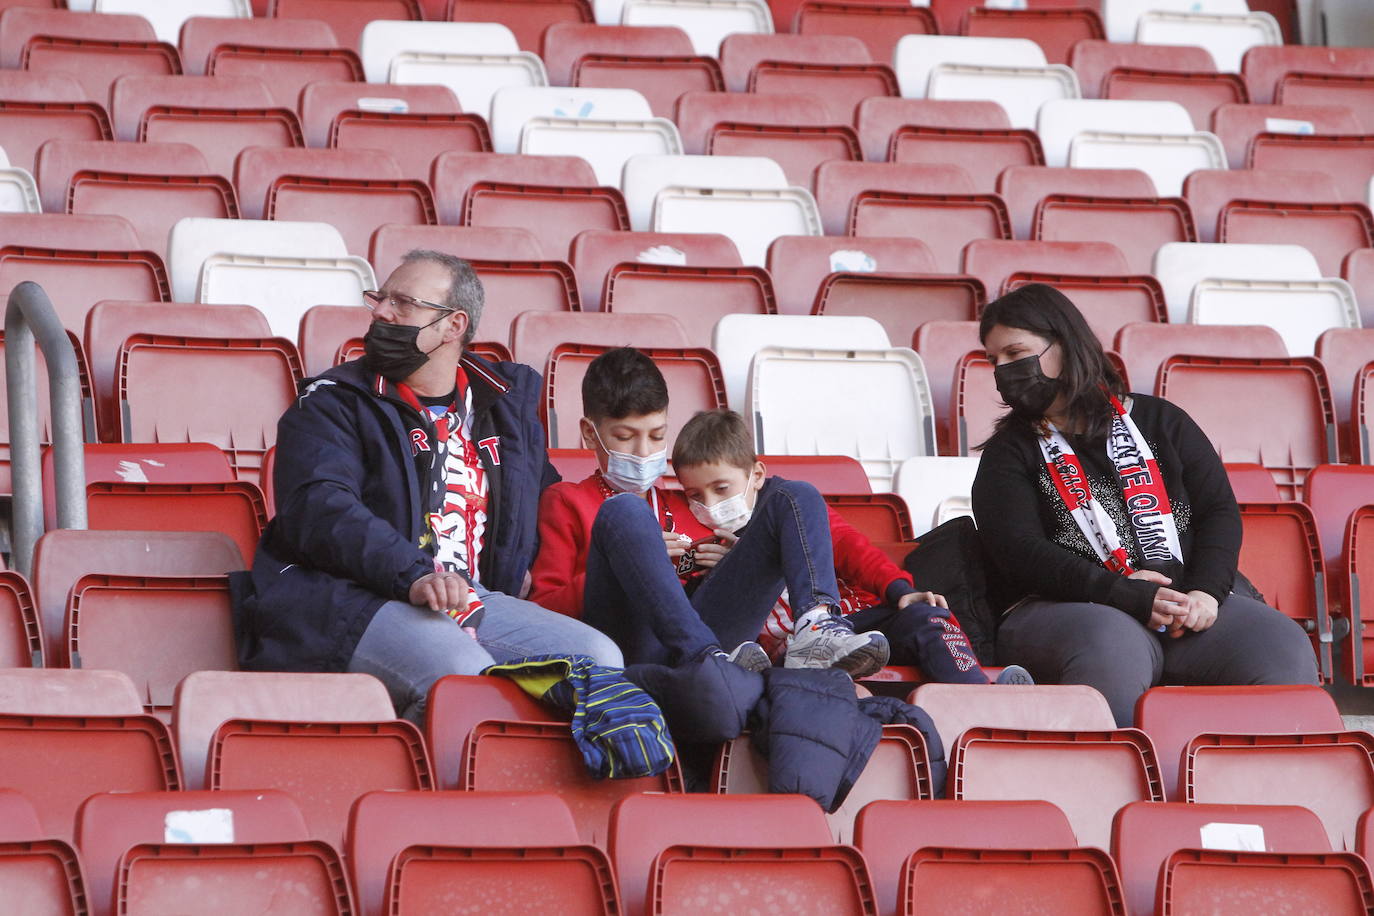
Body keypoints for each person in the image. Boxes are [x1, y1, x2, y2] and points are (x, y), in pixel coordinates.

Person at [230, 250, 622, 724]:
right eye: (379, 299)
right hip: (353, 597)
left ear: (453, 325)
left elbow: (540, 502)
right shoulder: (332, 402)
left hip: (473, 599)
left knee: (599, 659)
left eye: (402, 303)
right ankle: (430, 795)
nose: (380, 312)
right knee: (462, 675)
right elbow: (320, 507)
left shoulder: (504, 406)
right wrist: (414, 574)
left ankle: (537, 797)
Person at [970, 283, 1319, 726]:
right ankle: (1103, 783)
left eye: (1014, 352)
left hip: (1183, 597)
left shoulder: (1161, 421)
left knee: (1278, 642)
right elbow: (1018, 551)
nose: (1002, 370)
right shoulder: (1009, 451)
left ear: (1065, 344)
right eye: (993, 360)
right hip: (1066, 606)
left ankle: (1263, 785)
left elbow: (1218, 513)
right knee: (1112, 644)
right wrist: (1121, 592)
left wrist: (1206, 593)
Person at [528, 347, 890, 675]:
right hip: (629, 640)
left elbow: (826, 535)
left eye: (656, 436)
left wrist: (729, 563)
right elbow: (543, 610)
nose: (642, 451)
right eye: (625, 437)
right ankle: (701, 658)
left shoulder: (685, 500)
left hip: (715, 641)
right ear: (590, 436)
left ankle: (815, 624)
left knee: (793, 494)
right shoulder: (567, 500)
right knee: (626, 512)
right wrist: (630, 562)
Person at [673, 409, 1026, 685]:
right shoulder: (696, 545)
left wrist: (900, 590)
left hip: (847, 627)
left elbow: (850, 546)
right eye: (694, 496)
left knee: (929, 616)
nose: (709, 504)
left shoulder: (789, 504)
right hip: (785, 654)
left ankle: (979, 696)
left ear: (757, 475)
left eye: (722, 489)